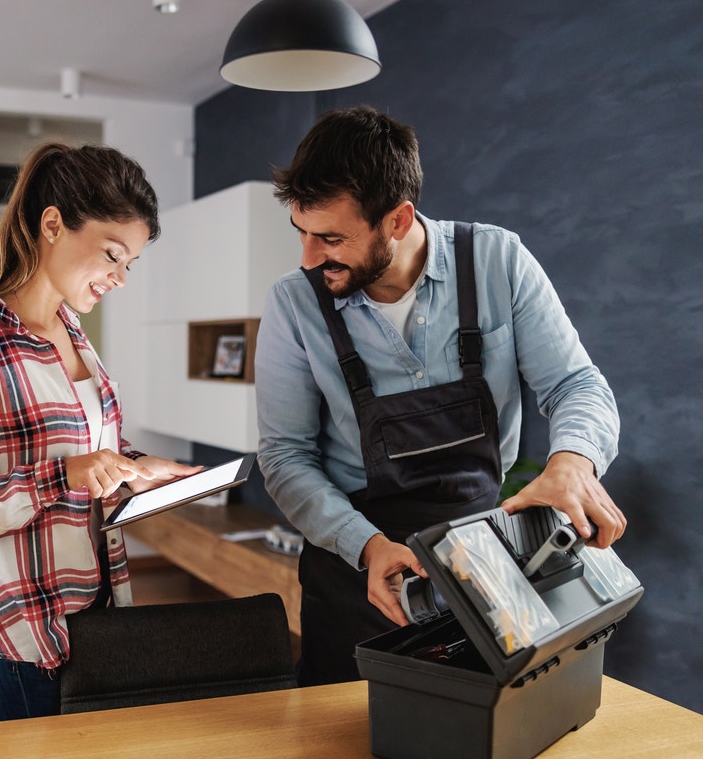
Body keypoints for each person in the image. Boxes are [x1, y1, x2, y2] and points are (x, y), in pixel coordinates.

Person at [254, 106, 627, 686]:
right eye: (301, 232)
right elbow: (285, 456)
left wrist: (574, 461)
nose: (308, 257)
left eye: (330, 238)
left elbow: (576, 384)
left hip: (485, 562)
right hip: (358, 570)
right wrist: (368, 546)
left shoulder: (499, 262)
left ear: (398, 220)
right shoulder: (294, 303)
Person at [0, 142, 200, 721]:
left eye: (128, 265)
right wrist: (61, 477)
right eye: (111, 255)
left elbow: (72, 450)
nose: (119, 278)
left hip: (92, 617)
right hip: (16, 641)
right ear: (54, 224)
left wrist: (135, 466)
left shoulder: (73, 333)